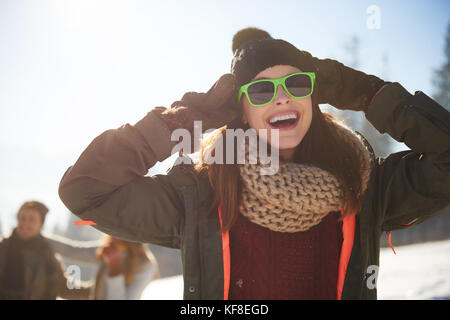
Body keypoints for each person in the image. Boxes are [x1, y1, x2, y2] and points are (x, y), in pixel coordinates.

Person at [58, 27, 450, 300]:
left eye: (296, 85)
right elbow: (86, 191)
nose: (281, 98)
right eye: (261, 90)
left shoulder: (365, 186)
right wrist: (183, 119)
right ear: (241, 110)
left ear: (313, 99)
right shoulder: (199, 194)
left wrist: (368, 94)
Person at [44, 233, 159, 299]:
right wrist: (38, 236)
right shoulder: (108, 249)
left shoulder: (145, 263)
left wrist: (115, 270)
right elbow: (72, 251)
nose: (114, 233)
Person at [0, 201, 60, 299]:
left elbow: (60, 286)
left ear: (40, 224)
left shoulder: (47, 254)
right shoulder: (3, 248)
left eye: (32, 220)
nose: (25, 224)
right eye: (22, 218)